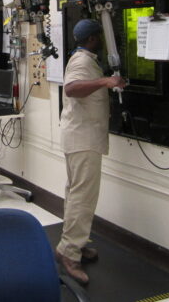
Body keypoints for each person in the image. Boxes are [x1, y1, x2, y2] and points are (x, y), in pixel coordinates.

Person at [55, 18, 126, 285]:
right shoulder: (82, 62)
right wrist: (105, 81)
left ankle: (74, 242)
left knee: (76, 195)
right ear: (94, 38)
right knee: (83, 197)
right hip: (82, 140)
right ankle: (70, 254)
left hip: (80, 138)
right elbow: (72, 89)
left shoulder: (84, 59)